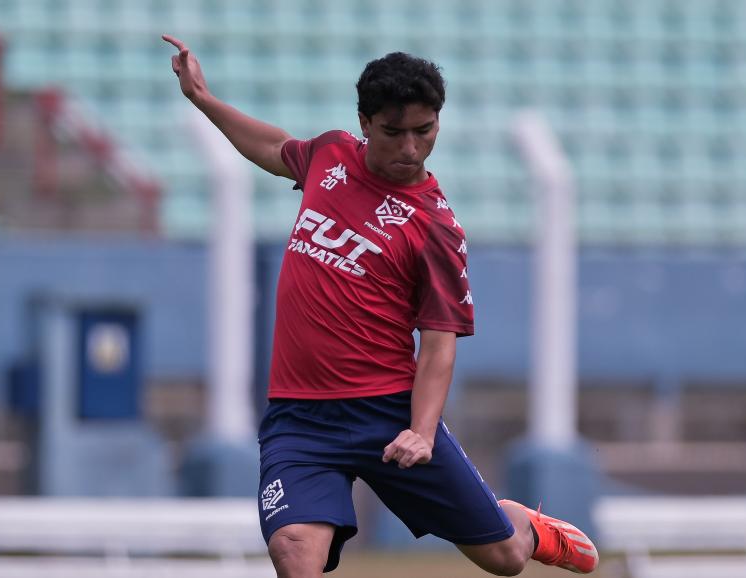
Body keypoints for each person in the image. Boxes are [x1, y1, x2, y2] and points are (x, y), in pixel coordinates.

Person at [163, 34, 599, 578]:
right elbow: (275, 149)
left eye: (425, 130)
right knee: (294, 551)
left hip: (388, 415)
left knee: (504, 559)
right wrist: (203, 100)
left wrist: (422, 430)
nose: (411, 148)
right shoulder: (330, 155)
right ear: (365, 123)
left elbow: (438, 343)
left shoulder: (436, 229)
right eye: (394, 133)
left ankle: (525, 527)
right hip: (299, 418)